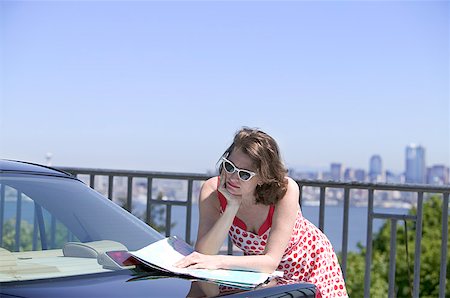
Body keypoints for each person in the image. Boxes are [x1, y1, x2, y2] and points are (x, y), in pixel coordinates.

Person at [175, 127, 348, 298]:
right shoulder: (212, 192)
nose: (233, 177)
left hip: (309, 265)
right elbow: (204, 255)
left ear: (263, 177)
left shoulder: (286, 190)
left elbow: (270, 261)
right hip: (261, 272)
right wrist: (232, 207)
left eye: (244, 174)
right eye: (229, 166)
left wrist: (218, 261)